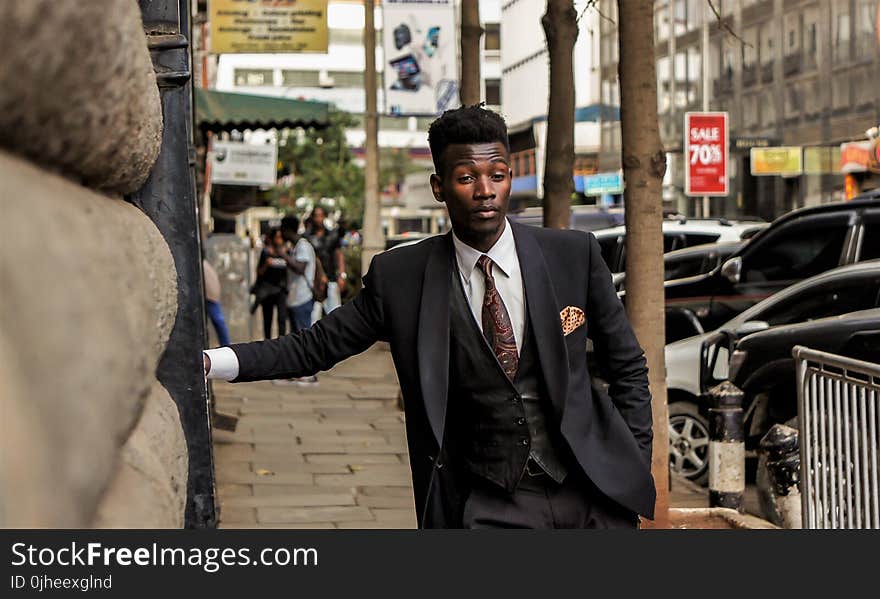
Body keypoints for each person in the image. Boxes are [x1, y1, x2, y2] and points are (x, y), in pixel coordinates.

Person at [205, 105, 654, 529]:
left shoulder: (572, 256)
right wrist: (210, 363)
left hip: (590, 494)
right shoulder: (402, 278)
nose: (484, 191)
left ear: (510, 178)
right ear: (439, 186)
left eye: (496, 176)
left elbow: (628, 366)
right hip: (489, 503)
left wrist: (630, 463)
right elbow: (313, 347)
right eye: (466, 178)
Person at [279, 215, 318, 385]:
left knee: (305, 336)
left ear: (287, 230)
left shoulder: (303, 246)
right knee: (297, 338)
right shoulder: (296, 246)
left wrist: (284, 256)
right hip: (295, 297)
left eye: (282, 229)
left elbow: (301, 268)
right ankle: (300, 370)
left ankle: (309, 372)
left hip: (303, 297)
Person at [305, 206, 346, 316]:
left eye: (321, 216)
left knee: (335, 315)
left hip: (331, 279)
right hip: (314, 284)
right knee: (314, 319)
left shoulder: (332, 235)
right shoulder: (307, 237)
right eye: (316, 216)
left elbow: (339, 254)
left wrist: (342, 275)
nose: (318, 219)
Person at [254, 227, 288, 339]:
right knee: (267, 319)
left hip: (281, 289)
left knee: (282, 319)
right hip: (268, 290)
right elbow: (259, 272)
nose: (279, 240)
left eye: (280, 237)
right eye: (277, 237)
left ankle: (282, 343)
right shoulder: (266, 252)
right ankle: (267, 344)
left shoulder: (286, 252)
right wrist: (267, 264)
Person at [202, 258, 230, 347]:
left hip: (209, 295)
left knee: (218, 320)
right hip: (209, 295)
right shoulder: (203, 263)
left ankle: (225, 345)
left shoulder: (201, 264)